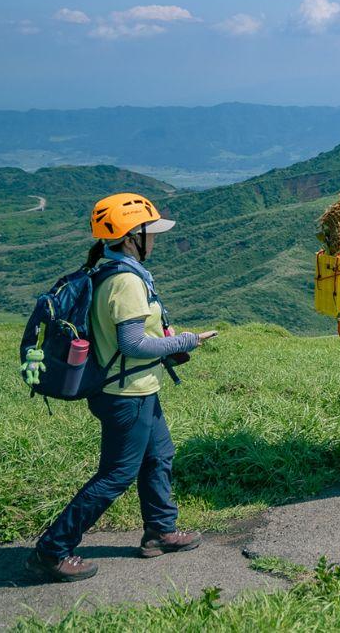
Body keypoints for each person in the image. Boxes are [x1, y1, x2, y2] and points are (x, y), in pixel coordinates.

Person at [28, 193, 216, 583]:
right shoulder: (127, 282)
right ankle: (52, 549)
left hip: (136, 388)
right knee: (115, 474)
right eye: (151, 233)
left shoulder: (106, 270)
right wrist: (186, 340)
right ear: (132, 237)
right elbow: (133, 345)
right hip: (126, 395)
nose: (156, 240)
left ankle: (160, 532)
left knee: (159, 455)